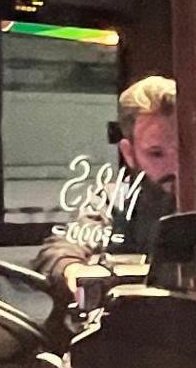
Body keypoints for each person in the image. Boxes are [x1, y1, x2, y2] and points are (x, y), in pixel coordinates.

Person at [48, 75, 181, 267]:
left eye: (182, 150)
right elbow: (63, 248)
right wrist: (74, 271)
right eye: (156, 154)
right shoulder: (113, 200)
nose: (173, 165)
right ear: (129, 153)